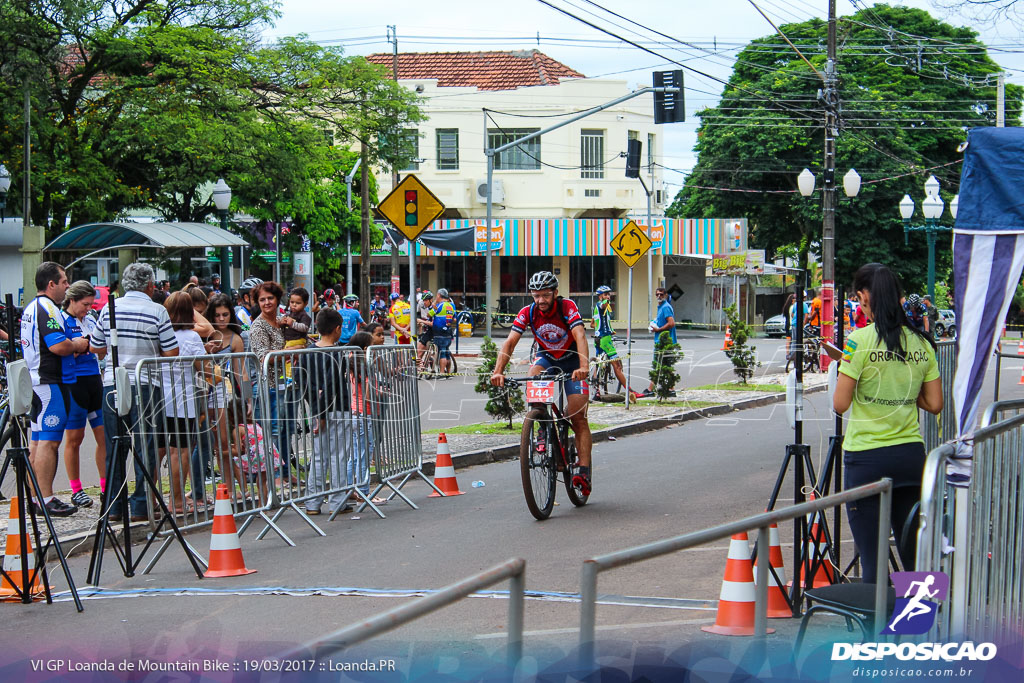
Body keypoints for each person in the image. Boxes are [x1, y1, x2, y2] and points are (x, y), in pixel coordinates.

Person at [833, 263, 942, 584]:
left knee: (873, 561)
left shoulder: (858, 341)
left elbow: (840, 404)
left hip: (866, 459)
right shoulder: (922, 343)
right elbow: (934, 404)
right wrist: (907, 393)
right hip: (910, 459)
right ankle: (917, 630)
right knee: (913, 558)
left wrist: (849, 372)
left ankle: (874, 632)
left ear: (865, 297)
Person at [89, 263, 179, 522]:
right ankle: (141, 504)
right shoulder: (157, 311)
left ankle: (114, 506)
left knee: (115, 445)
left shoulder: (108, 309)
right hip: (146, 382)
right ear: (150, 285)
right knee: (146, 445)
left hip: (112, 384)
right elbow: (171, 352)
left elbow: (97, 348)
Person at [490, 271, 593, 495]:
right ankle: (542, 426)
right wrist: (498, 371)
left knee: (578, 416)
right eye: (536, 296)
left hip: (572, 359)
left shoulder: (567, 307)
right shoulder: (528, 312)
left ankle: (583, 470)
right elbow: (510, 342)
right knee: (533, 376)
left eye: (545, 295)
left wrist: (583, 367)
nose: (541, 301)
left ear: (555, 293)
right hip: (546, 357)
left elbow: (580, 336)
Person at [23, 262, 87, 517]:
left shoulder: (31, 306)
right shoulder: (47, 307)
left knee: (38, 441)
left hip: (37, 381)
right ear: (51, 284)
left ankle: (38, 496)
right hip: (50, 381)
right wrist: (78, 344)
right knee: (49, 442)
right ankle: (46, 498)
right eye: (64, 282)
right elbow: (58, 346)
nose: (67, 287)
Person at [159, 291, 208, 515]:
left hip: (159, 398)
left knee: (157, 451)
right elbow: (203, 369)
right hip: (184, 400)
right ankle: (177, 500)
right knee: (182, 452)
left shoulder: (159, 334)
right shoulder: (191, 337)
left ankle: (151, 499)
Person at [62, 280, 107, 509]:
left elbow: (99, 348)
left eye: (91, 304)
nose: (88, 308)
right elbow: (62, 350)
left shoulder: (90, 319)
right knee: (75, 439)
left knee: (103, 437)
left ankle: (105, 486)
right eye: (85, 304)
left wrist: (87, 346)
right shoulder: (61, 319)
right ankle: (76, 489)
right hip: (74, 383)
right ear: (72, 300)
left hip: (94, 380)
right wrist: (77, 347)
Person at [303, 309, 351, 516]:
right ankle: (337, 500)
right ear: (337, 329)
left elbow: (304, 383)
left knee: (319, 456)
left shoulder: (305, 352)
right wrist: (323, 412)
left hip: (315, 409)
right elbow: (331, 384)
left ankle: (313, 502)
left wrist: (316, 411)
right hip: (337, 408)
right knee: (338, 455)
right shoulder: (337, 353)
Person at [591, 285, 636, 402]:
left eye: (609, 294)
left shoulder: (597, 308)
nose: (608, 297)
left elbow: (593, 323)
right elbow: (603, 304)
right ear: (600, 296)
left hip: (599, 338)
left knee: (599, 362)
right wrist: (606, 302)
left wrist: (607, 329)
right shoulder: (602, 305)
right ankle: (629, 391)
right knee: (617, 366)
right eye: (605, 294)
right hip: (605, 339)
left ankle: (596, 391)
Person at [639, 287, 677, 398]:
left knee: (657, 364)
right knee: (665, 365)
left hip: (665, 341)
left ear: (665, 295)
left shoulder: (665, 307)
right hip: (661, 340)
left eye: (661, 294)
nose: (659, 296)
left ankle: (651, 389)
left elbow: (671, 323)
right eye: (657, 294)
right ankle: (671, 389)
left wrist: (658, 330)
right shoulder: (661, 307)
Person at [431, 288, 457, 374]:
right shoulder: (452, 305)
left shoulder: (439, 305)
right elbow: (455, 319)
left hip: (439, 332)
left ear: (439, 295)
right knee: (446, 351)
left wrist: (434, 303)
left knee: (442, 352)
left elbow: (429, 314)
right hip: (448, 331)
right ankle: (448, 372)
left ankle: (442, 373)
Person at [416, 291, 435, 365]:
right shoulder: (430, 307)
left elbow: (432, 323)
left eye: (426, 300)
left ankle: (419, 368)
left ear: (430, 300)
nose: (424, 302)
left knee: (419, 350)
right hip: (429, 330)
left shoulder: (433, 308)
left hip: (432, 331)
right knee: (420, 350)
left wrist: (422, 321)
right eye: (423, 300)